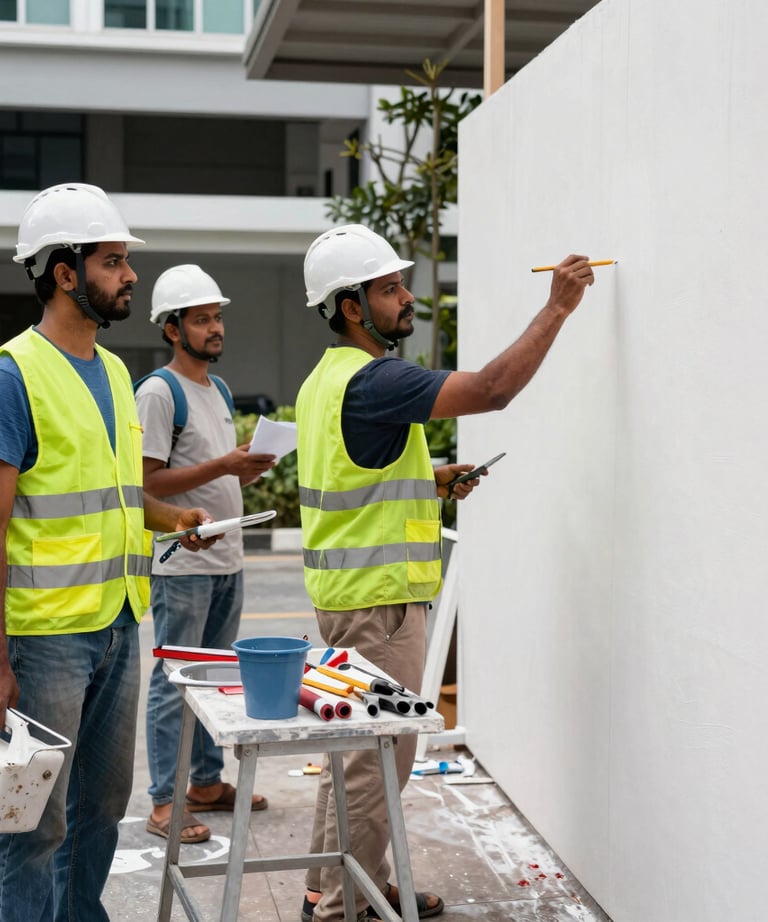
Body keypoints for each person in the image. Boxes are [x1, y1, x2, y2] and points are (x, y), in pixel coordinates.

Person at [295, 224, 596, 922]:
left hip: (345, 597)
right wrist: (555, 309)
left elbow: (355, 474)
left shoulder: (325, 380)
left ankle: (328, 886)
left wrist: (427, 480)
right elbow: (491, 390)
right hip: (379, 606)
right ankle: (345, 908)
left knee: (355, 754)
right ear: (349, 307)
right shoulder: (378, 379)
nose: (407, 297)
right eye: (389, 288)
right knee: (380, 763)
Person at [0, 182, 220, 922]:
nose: (129, 276)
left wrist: (172, 516)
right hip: (42, 642)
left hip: (120, 627)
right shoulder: (13, 375)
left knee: (101, 807)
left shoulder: (119, 372)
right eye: (114, 261)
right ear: (65, 273)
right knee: (29, 823)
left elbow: (120, 498)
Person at [135, 264, 275, 845]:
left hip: (227, 561)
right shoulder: (158, 393)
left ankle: (206, 783)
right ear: (172, 329)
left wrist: (244, 466)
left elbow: (212, 471)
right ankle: (164, 801)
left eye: (217, 316)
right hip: (184, 567)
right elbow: (146, 485)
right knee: (175, 681)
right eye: (201, 319)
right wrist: (224, 465)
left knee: (215, 679)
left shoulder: (215, 389)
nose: (215, 327)